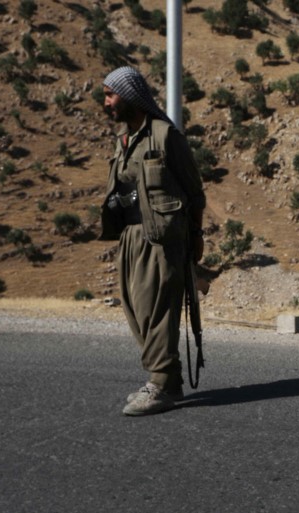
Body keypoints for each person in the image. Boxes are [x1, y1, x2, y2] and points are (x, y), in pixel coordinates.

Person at [99, 66, 206, 416]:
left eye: (111, 94)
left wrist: (196, 235)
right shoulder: (124, 140)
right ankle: (168, 380)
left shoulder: (164, 135)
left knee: (156, 310)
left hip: (161, 239)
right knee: (136, 310)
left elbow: (194, 191)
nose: (106, 102)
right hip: (130, 237)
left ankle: (160, 384)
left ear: (130, 95)